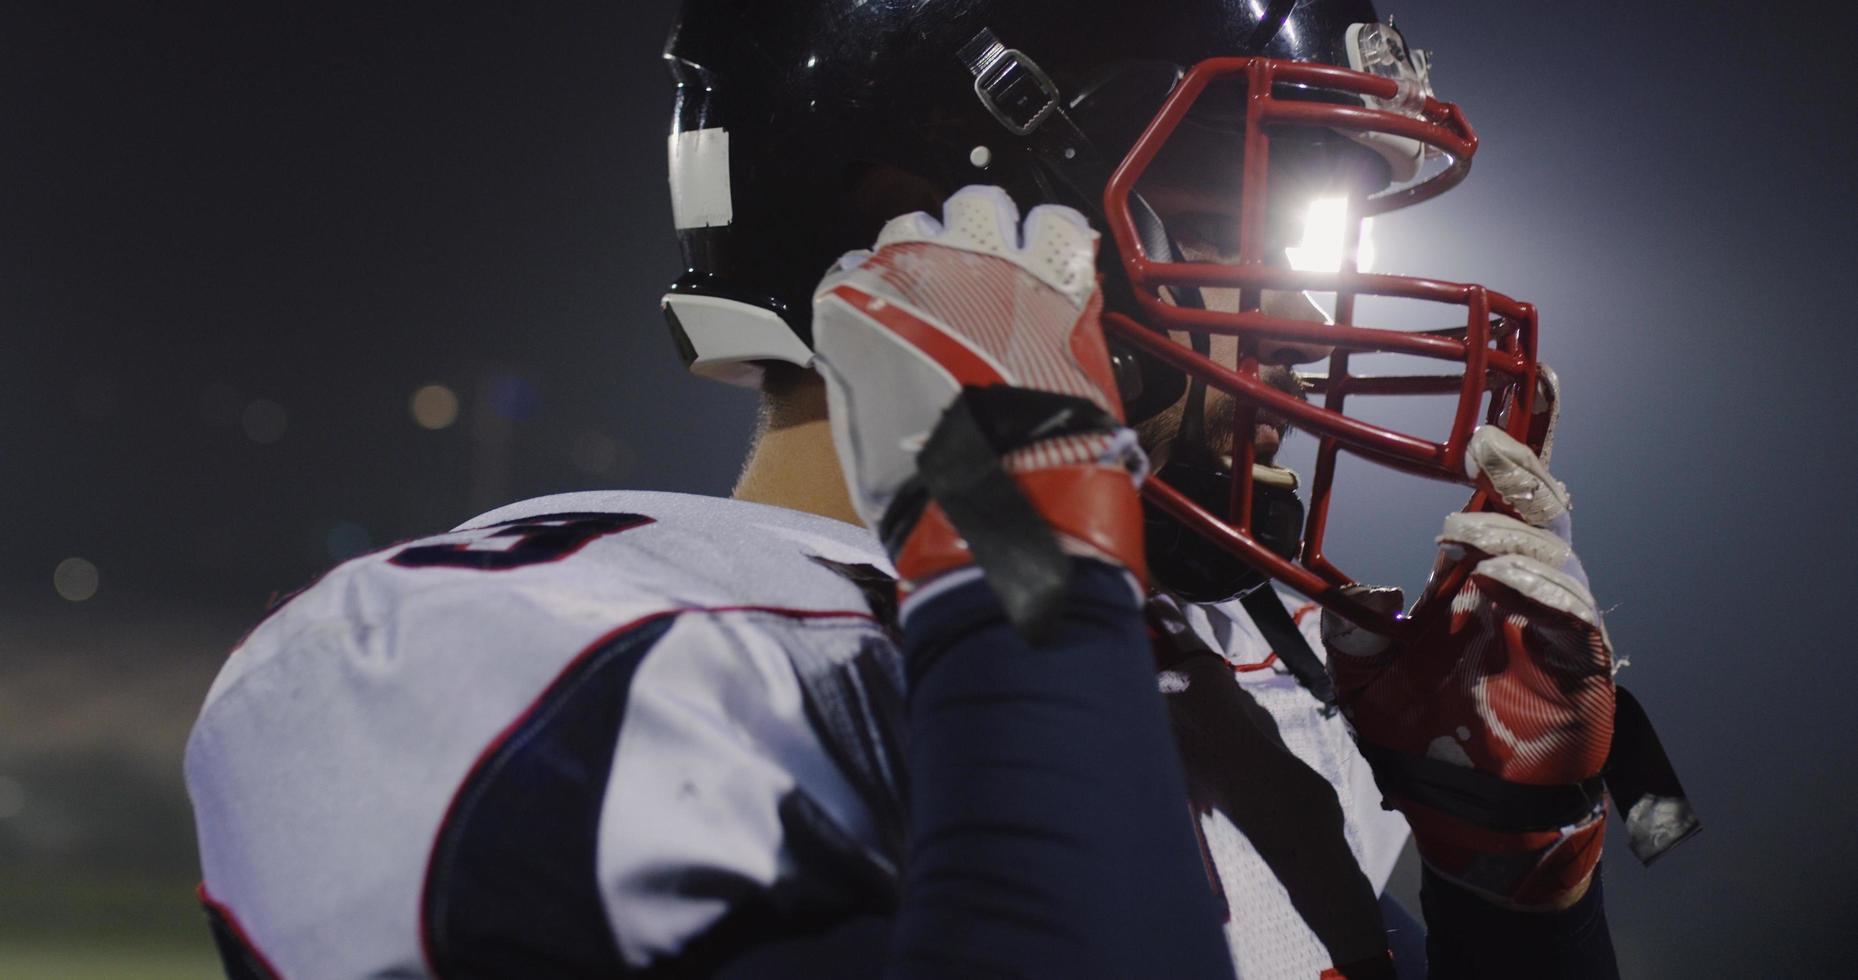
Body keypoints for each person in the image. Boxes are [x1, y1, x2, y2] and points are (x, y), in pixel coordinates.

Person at [187, 2, 1699, 977]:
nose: (1301, 327)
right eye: (1224, 216)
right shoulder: (520, 664)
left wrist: (1518, 915)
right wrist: (1022, 569)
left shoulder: (1244, 673)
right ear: (955, 212)